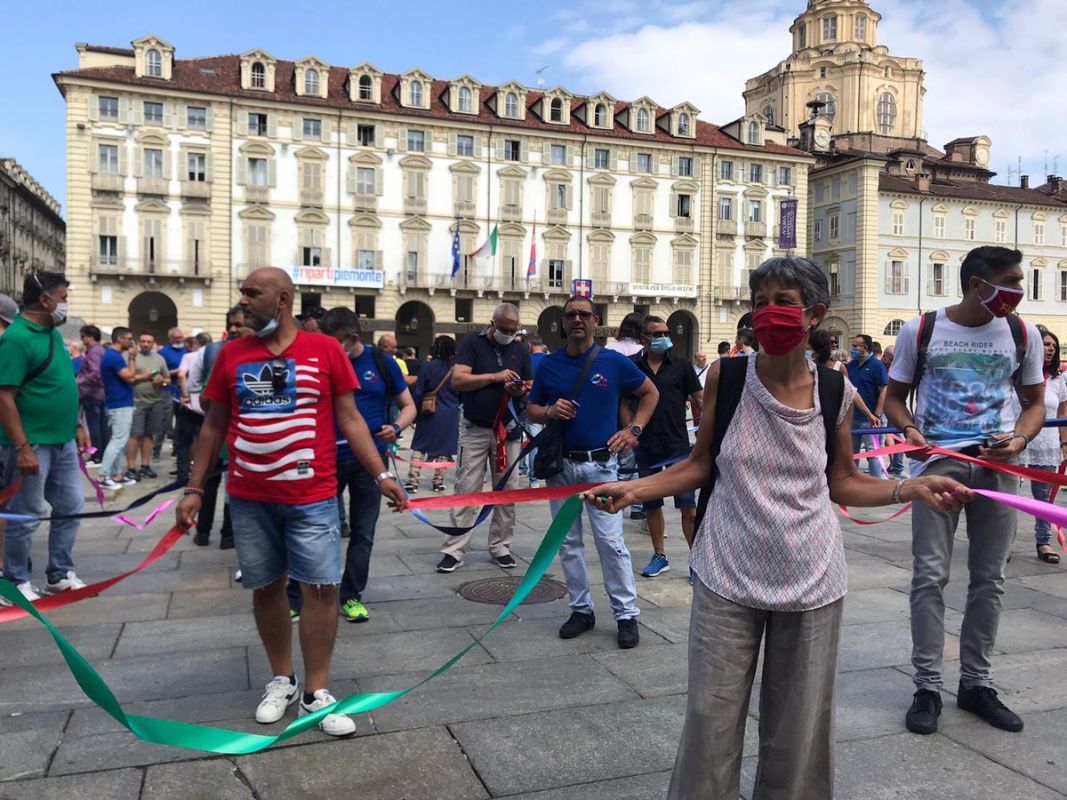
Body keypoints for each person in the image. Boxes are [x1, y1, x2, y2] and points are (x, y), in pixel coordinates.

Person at [582, 256, 969, 798]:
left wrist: (911, 487)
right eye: (760, 302)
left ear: (813, 313)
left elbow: (844, 481)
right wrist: (635, 489)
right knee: (709, 723)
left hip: (812, 578)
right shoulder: (728, 375)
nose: (768, 313)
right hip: (726, 571)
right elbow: (700, 463)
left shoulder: (833, 390)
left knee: (798, 730)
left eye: (782, 302)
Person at [175, 267, 405, 737]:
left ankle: (315, 692)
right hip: (250, 497)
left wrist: (380, 473)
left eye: (251, 294)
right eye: (242, 293)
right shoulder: (231, 356)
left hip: (313, 496)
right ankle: (281, 677)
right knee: (267, 587)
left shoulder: (323, 351)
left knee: (322, 589)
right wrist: (195, 488)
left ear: (282, 299)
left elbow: (351, 420)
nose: (243, 301)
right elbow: (213, 426)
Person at [886, 245, 1045, 737]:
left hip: (999, 465)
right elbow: (893, 397)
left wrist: (1019, 437)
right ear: (979, 285)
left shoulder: (1023, 332)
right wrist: (909, 429)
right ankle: (927, 687)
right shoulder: (922, 328)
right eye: (1011, 281)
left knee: (990, 579)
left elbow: (1034, 403)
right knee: (929, 576)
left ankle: (976, 683)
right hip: (941, 464)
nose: (1018, 291)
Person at [528, 295, 659, 649]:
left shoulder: (612, 362)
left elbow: (650, 393)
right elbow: (532, 410)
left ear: (595, 320)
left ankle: (626, 614)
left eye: (583, 314)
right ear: (563, 322)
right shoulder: (549, 365)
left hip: (601, 466)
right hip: (561, 467)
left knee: (611, 542)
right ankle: (581, 609)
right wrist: (550, 411)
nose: (577, 320)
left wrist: (634, 431)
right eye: (570, 315)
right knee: (568, 543)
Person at [288, 306, 415, 624]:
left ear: (353, 338)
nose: (328, 349)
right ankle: (297, 596)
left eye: (334, 343)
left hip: (369, 462)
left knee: (363, 532)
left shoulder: (382, 364)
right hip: (324, 460)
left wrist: (396, 427)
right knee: (313, 531)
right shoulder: (318, 362)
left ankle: (351, 597)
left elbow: (409, 405)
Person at [0, 271, 92, 604]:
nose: (65, 303)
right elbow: (4, 396)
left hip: (63, 438)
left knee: (71, 506)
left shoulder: (52, 335)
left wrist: (78, 425)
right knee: (26, 512)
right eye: (63, 296)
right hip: (33, 442)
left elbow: (63, 382)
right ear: (45, 299)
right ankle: (15, 579)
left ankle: (59, 574)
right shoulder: (16, 339)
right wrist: (22, 447)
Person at [438, 303, 531, 573]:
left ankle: (501, 546)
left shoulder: (520, 349)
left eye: (513, 330)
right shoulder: (472, 344)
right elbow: (458, 380)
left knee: (507, 491)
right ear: (492, 324)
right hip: (475, 429)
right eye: (504, 329)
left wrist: (518, 390)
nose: (509, 334)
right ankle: (453, 550)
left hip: (507, 430)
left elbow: (529, 388)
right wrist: (494, 377)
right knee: (466, 488)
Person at [629, 316, 703, 578]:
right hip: (646, 446)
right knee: (651, 505)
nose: (663, 337)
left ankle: (697, 561)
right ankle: (660, 555)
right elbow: (624, 402)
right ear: (644, 338)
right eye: (657, 333)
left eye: (666, 332)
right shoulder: (633, 366)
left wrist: (711, 426)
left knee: (688, 506)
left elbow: (699, 398)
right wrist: (629, 430)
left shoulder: (682, 366)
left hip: (678, 446)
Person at [190, 307, 246, 548]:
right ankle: (208, 532)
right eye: (231, 324)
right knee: (213, 482)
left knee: (233, 487)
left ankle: (225, 534)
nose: (233, 329)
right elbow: (202, 394)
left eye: (239, 324)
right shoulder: (219, 353)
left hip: (238, 437)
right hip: (219, 433)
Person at [1018, 327, 1067, 563]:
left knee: (1044, 497)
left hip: (1046, 443)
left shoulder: (1059, 379)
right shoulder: (1018, 374)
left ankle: (1043, 541)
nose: (1050, 349)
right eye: (1046, 344)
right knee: (1008, 493)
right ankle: (1002, 542)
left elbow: (1062, 411)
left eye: (1054, 346)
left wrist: (1064, 441)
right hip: (1017, 440)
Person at [406, 335, 460, 495]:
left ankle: (412, 481)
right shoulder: (456, 369)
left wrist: (414, 413)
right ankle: (438, 482)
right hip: (450, 413)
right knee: (444, 449)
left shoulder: (427, 366)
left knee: (419, 446)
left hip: (429, 411)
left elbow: (418, 391)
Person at [607, 312, 647, 519]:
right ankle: (637, 507)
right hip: (636, 414)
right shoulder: (642, 352)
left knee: (613, 462)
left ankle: (613, 499)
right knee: (635, 462)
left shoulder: (608, 349)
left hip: (609, 414)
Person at [98, 327, 143, 489]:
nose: (132, 342)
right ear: (119, 339)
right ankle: (103, 475)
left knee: (120, 440)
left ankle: (116, 474)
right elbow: (130, 376)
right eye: (129, 339)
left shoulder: (113, 356)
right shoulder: (113, 357)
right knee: (118, 440)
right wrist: (132, 358)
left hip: (120, 402)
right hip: (119, 404)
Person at [126, 332, 170, 481]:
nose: (145, 344)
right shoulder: (132, 357)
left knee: (149, 435)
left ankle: (145, 465)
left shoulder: (159, 359)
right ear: (139, 342)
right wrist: (144, 377)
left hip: (155, 401)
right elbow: (128, 377)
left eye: (148, 342)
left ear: (153, 343)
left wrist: (162, 380)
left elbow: (168, 379)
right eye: (143, 341)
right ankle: (131, 467)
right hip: (136, 401)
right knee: (135, 435)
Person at [847, 334, 889, 478]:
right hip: (852, 416)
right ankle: (853, 481)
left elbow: (884, 389)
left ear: (864, 348)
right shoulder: (851, 365)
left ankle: (876, 480)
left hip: (870, 418)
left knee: (873, 452)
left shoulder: (876, 365)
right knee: (852, 452)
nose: (852, 349)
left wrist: (877, 412)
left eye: (855, 346)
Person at [77, 324, 108, 460]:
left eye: (83, 336)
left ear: (90, 337)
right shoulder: (100, 350)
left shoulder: (94, 351)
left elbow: (96, 372)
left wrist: (81, 380)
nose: (82, 339)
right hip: (100, 392)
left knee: (93, 425)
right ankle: (102, 452)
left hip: (92, 392)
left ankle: (96, 453)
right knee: (101, 425)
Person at [157, 326, 186, 458]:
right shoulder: (164, 352)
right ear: (171, 338)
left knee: (181, 423)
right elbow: (157, 371)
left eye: (180, 337)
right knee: (165, 421)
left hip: (182, 390)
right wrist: (175, 372)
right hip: (167, 390)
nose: (179, 340)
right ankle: (156, 450)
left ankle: (177, 449)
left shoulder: (186, 350)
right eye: (176, 338)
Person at [881, 344, 906, 477]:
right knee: (883, 438)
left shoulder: (898, 370)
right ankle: (887, 468)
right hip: (883, 409)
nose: (893, 363)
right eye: (891, 359)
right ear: (885, 357)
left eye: (895, 360)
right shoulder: (880, 369)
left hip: (895, 408)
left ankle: (897, 467)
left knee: (896, 437)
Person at [691, 352, 710, 428]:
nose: (704, 358)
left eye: (705, 356)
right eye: (701, 357)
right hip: (696, 398)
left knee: (708, 419)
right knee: (697, 420)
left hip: (708, 397)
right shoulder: (692, 369)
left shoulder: (711, 367)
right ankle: (698, 438)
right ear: (696, 359)